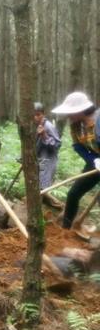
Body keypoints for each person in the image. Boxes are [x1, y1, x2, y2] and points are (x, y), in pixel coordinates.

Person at [51, 92, 100, 229]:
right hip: (95, 163)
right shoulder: (76, 125)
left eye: (71, 112)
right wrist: (94, 160)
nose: (68, 116)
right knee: (73, 193)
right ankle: (66, 229)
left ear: (81, 110)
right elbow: (78, 147)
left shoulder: (98, 120)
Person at [34, 102, 64, 209]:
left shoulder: (48, 126)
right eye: (34, 115)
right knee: (37, 188)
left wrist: (44, 135)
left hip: (48, 161)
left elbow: (57, 145)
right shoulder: (34, 126)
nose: (36, 117)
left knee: (43, 188)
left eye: (38, 115)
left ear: (43, 114)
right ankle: (54, 207)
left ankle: (59, 207)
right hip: (38, 161)